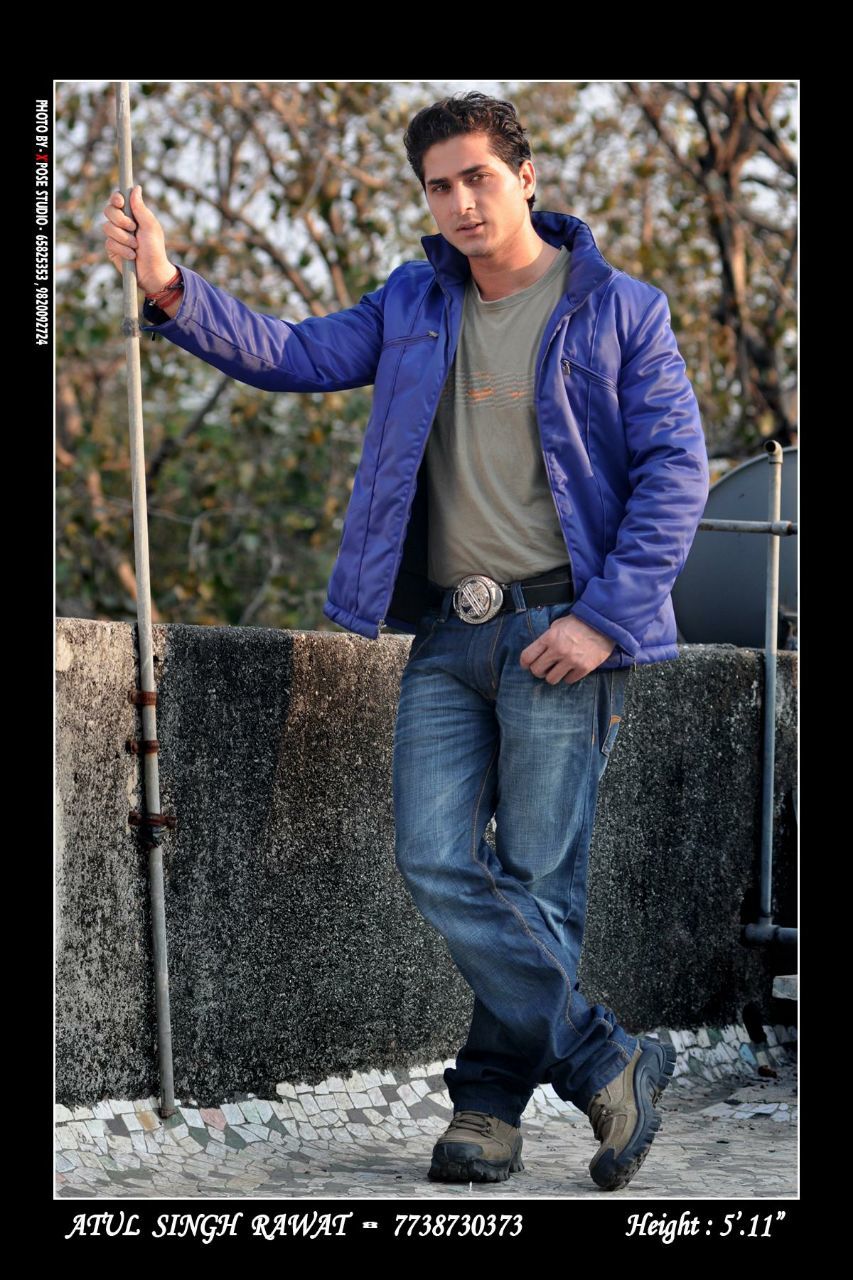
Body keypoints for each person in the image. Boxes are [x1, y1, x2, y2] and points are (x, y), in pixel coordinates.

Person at [102, 90, 709, 1193]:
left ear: (525, 177)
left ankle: (486, 1111)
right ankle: (605, 1057)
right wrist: (171, 286)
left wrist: (602, 619)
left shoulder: (621, 309)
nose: (460, 201)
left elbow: (676, 474)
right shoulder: (413, 300)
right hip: (445, 631)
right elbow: (292, 352)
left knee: (537, 882)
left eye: (478, 177)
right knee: (434, 859)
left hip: (561, 631)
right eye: (439, 186)